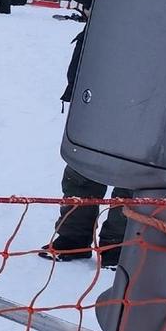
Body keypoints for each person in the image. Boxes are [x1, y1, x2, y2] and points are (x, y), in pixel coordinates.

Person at [45, 24, 134, 266]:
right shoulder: (111, 5)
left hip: (147, 98)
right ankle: (73, 237)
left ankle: (116, 245)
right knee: (82, 166)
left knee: (133, 172)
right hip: (96, 92)